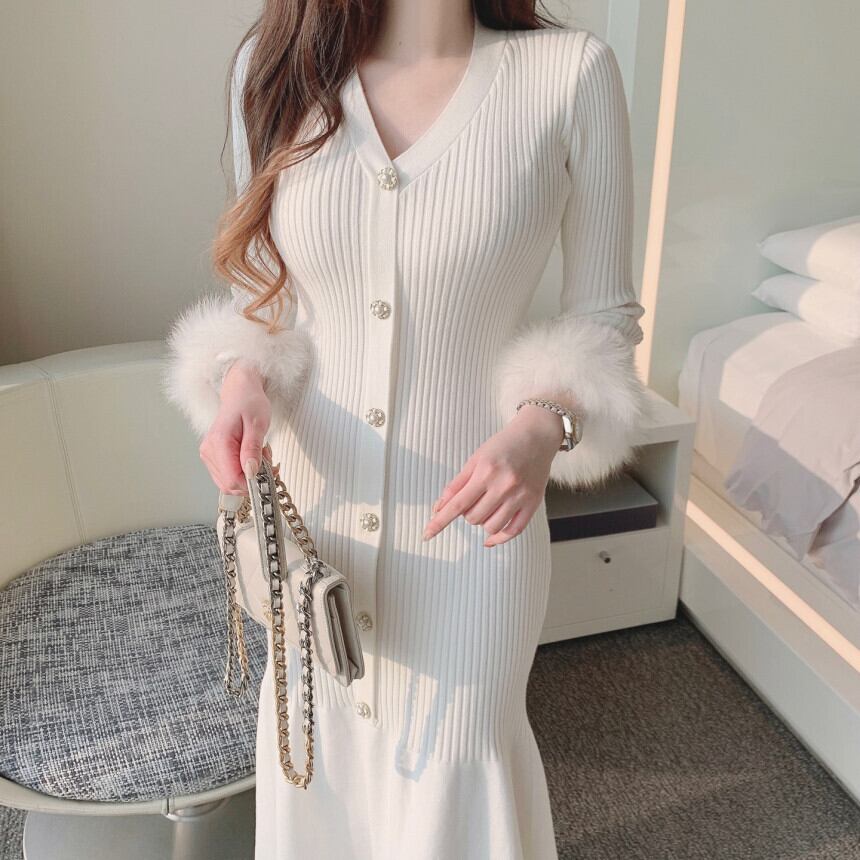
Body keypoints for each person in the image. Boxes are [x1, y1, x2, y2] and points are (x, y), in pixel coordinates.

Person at [164, 1, 647, 857]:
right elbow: (265, 302)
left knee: (457, 773)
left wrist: (544, 425)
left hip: (476, 540)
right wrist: (241, 381)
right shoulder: (273, 69)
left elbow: (604, 318)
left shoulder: (571, 74)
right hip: (313, 533)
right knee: (319, 768)